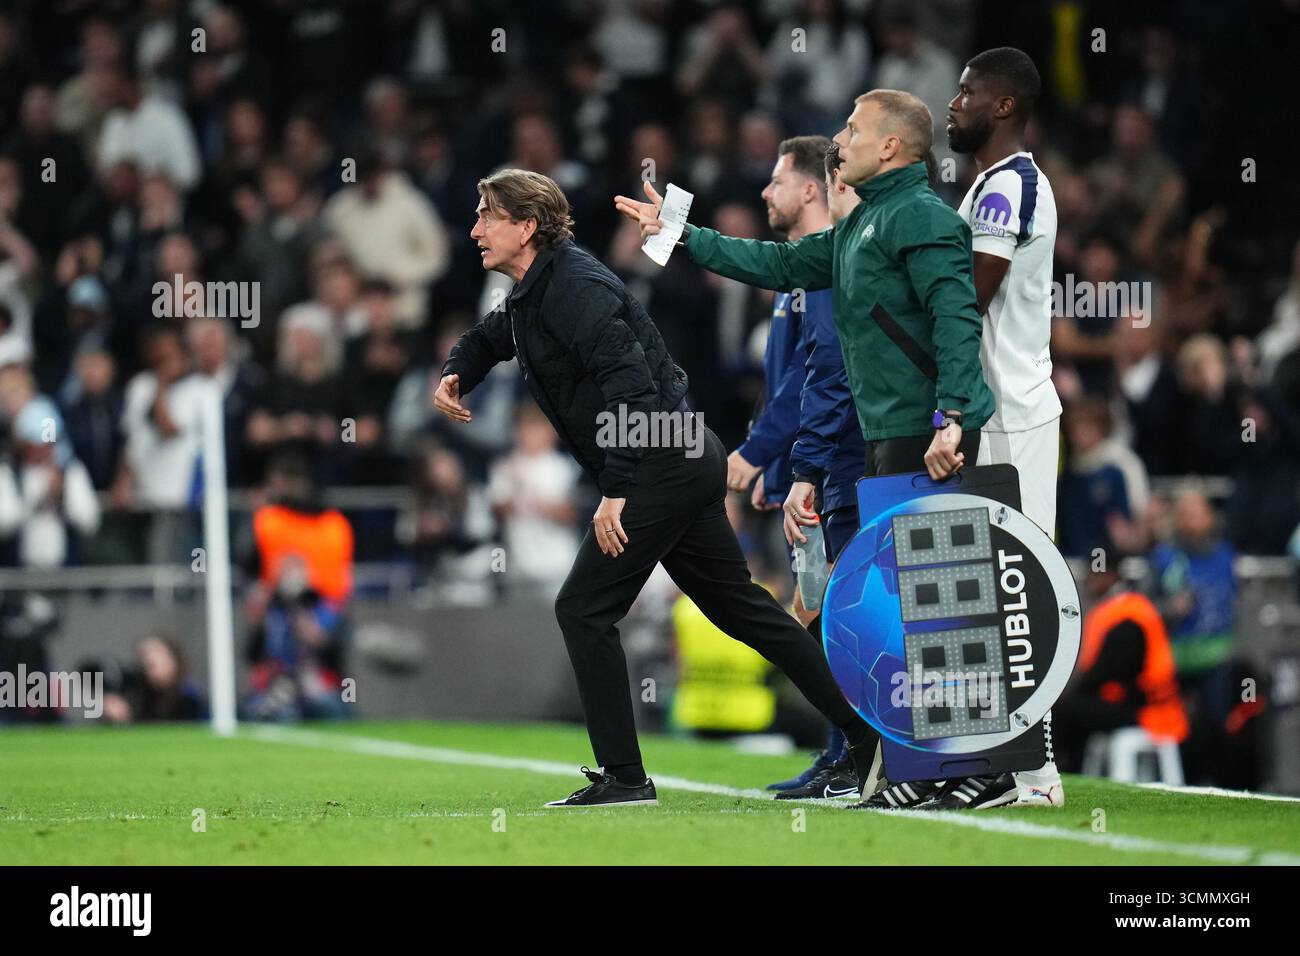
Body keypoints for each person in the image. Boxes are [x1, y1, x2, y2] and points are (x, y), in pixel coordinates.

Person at [434, 168, 881, 807]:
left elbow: (634, 388)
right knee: (741, 608)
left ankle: (624, 778)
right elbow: (493, 335)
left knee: (583, 609)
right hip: (678, 459)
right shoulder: (539, 289)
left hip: (660, 463)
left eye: (486, 216)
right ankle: (865, 738)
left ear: (526, 227)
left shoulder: (574, 288)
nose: (475, 229)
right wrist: (457, 372)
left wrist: (616, 488)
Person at [616, 89, 993, 809]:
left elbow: (956, 316)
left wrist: (957, 416)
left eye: (853, 128)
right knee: (896, 611)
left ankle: (971, 768)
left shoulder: (923, 218)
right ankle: (921, 769)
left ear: (891, 148)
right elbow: (771, 264)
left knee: (935, 606)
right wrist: (679, 230)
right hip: (886, 436)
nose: (840, 138)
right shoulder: (863, 226)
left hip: (921, 433)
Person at [909, 46, 1067, 810]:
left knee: (1019, 586)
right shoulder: (986, 187)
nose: (953, 103)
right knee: (983, 589)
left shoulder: (1011, 187)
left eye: (967, 92)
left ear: (1004, 106)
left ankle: (1034, 775)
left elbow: (970, 293)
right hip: (991, 411)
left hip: (1012, 413)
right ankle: (994, 760)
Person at [725, 137, 865, 798]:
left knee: (827, 617)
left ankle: (853, 754)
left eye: (777, 181)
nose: (765, 193)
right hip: (811, 473)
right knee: (817, 616)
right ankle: (840, 750)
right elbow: (785, 380)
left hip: (839, 469)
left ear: (811, 189)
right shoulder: (797, 275)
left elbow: (819, 378)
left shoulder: (828, 268)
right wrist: (778, 472)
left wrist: (760, 456)